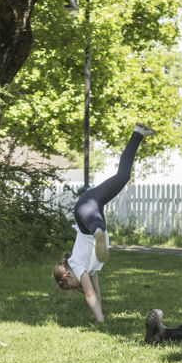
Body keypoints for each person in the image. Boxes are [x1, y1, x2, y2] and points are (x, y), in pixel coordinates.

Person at [53, 122, 156, 323]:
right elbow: (96, 291)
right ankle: (137, 134)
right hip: (91, 203)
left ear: (66, 275)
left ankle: (98, 233)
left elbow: (90, 294)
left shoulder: (76, 263)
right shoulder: (90, 269)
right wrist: (96, 311)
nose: (76, 287)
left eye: (70, 285)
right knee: (123, 176)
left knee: (95, 227)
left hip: (84, 213)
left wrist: (100, 320)